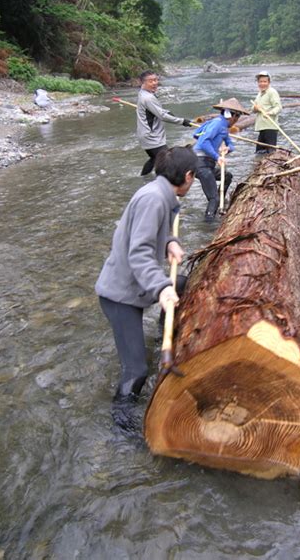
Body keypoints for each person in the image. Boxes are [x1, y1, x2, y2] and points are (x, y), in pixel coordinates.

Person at [95, 146, 198, 428]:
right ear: (188, 176)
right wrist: (160, 287)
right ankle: (121, 427)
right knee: (137, 370)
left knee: (180, 282)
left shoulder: (161, 193)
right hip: (120, 296)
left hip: (136, 286)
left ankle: (163, 334)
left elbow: (152, 231)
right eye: (195, 177)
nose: (193, 181)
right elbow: (138, 253)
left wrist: (169, 241)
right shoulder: (154, 199)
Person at [193, 97, 250, 222]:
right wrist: (217, 156)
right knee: (213, 199)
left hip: (208, 164)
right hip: (200, 163)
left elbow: (196, 134)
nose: (236, 121)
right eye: (237, 118)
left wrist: (227, 149)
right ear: (232, 116)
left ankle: (220, 204)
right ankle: (208, 225)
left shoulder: (222, 126)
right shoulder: (217, 123)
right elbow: (203, 142)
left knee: (227, 176)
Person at [137, 70, 192, 176]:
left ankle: (143, 179)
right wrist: (182, 121)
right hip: (151, 137)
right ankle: (164, 184)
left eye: (156, 80)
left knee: (154, 159)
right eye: (151, 81)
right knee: (167, 162)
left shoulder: (143, 93)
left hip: (145, 134)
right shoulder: (148, 98)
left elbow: (155, 111)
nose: (155, 83)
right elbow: (162, 116)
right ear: (143, 82)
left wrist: (166, 112)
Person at [251, 70, 282, 154]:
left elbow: (278, 107)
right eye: (260, 81)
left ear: (269, 82)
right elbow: (253, 109)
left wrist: (269, 113)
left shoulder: (272, 92)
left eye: (265, 81)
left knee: (270, 152)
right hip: (262, 127)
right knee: (259, 152)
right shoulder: (260, 93)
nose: (262, 83)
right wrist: (255, 108)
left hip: (270, 127)